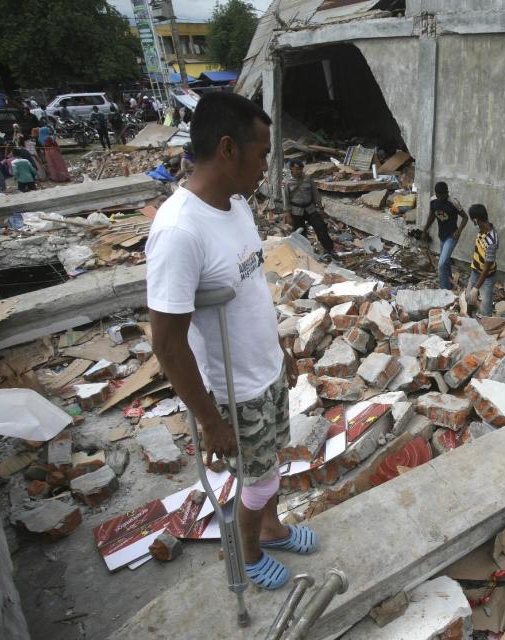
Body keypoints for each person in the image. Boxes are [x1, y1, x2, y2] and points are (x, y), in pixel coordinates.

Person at [146, 92, 315, 592]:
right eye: (261, 153)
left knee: (272, 462)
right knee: (258, 478)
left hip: (263, 371)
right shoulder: (179, 231)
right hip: (233, 393)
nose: (267, 165)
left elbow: (250, 288)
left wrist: (279, 351)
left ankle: (273, 527)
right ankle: (249, 552)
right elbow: (167, 344)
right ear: (227, 149)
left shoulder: (237, 206)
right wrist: (210, 420)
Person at [283, 159, 335, 258]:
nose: (299, 171)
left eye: (301, 169)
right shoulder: (286, 182)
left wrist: (320, 208)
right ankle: (305, 254)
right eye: (297, 169)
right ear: (291, 169)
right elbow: (285, 198)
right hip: (296, 211)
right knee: (301, 233)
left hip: (310, 208)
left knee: (321, 227)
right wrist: (287, 214)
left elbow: (315, 193)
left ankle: (329, 249)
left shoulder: (307, 179)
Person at [422, 181, 468, 290]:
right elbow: (431, 216)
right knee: (445, 261)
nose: (445, 196)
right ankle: (450, 284)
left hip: (452, 236)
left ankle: (444, 290)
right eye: (442, 195)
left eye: (446, 193)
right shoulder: (433, 201)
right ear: (437, 194)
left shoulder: (453, 202)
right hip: (442, 235)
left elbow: (465, 217)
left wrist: (459, 231)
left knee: (441, 264)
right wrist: (425, 230)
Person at [465, 204, 498, 316]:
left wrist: (476, 288)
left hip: (487, 276)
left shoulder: (492, 241)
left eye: (472, 220)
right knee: (468, 298)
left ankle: (487, 328)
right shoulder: (482, 229)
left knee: (485, 309)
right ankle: (468, 317)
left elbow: (487, 268)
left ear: (476, 220)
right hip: (475, 271)